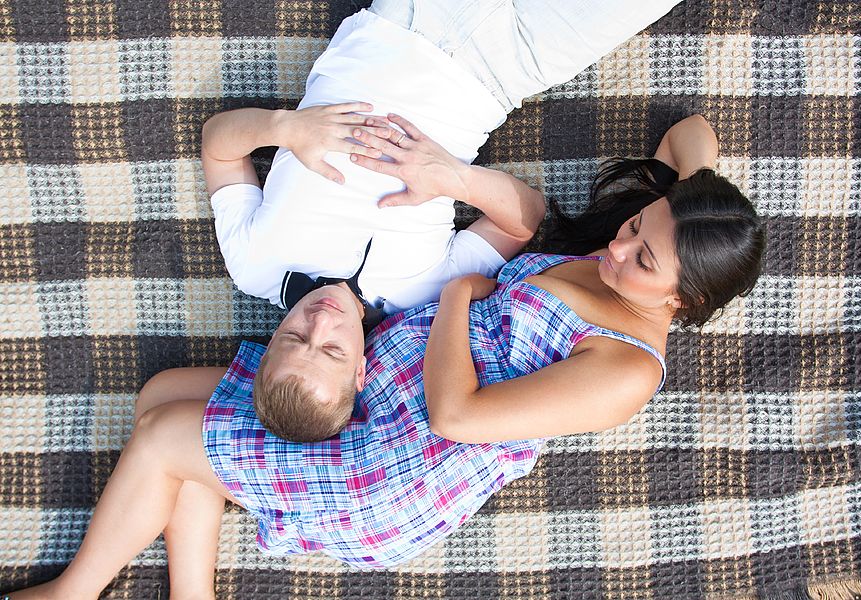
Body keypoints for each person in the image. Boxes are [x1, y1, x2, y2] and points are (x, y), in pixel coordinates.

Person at [6, 2, 761, 599]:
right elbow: (689, 134)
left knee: (170, 435)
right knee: (165, 394)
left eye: (643, 257)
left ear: (685, 302)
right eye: (632, 227)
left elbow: (457, 416)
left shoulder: (627, 372)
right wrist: (695, 206)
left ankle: (73, 592)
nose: (615, 249)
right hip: (381, 390)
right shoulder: (635, 262)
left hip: (400, 464)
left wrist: (464, 294)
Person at [199, 0, 684, 443]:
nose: (321, 321)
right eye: (331, 350)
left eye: (295, 337)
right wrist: (453, 178)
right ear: (361, 372)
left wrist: (283, 127)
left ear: (269, 346)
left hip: (405, 17)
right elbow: (525, 220)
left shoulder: (253, 265)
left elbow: (219, 143)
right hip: (506, 68)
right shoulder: (418, 298)